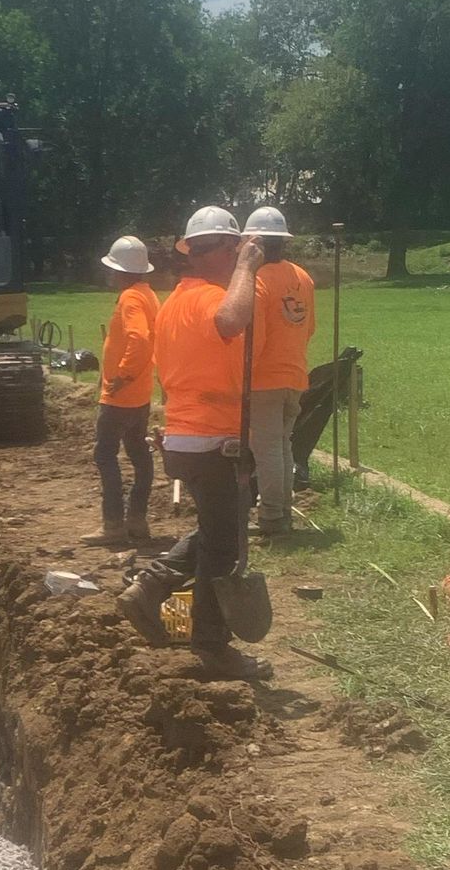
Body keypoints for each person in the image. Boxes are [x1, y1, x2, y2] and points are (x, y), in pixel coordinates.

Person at [118, 206, 273, 676]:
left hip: (188, 436)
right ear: (224, 249)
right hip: (212, 439)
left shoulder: (175, 302)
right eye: (235, 251)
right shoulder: (207, 298)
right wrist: (248, 268)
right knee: (224, 547)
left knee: (217, 528)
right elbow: (232, 321)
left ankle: (153, 583)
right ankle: (211, 646)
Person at [243, 204, 316, 535]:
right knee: (283, 444)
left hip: (264, 380)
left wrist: (242, 379)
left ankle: (272, 516)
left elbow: (254, 339)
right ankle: (281, 510)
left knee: (268, 448)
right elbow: (309, 327)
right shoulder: (302, 277)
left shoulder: (256, 280)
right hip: (296, 374)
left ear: (255, 241)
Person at [86, 234, 160, 549]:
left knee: (105, 455)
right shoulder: (148, 294)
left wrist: (122, 375)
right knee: (139, 455)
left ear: (122, 271)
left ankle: (114, 524)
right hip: (140, 394)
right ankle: (137, 520)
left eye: (113, 269)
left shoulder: (130, 297)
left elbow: (140, 338)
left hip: (120, 395)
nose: (111, 275)